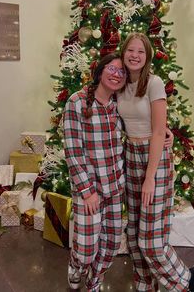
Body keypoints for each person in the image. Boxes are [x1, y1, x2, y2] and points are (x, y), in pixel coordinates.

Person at [63, 52, 173, 292]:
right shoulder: (77, 102)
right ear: (100, 71)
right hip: (89, 191)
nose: (116, 74)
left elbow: (141, 125)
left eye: (121, 72)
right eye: (111, 69)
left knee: (111, 245)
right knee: (86, 248)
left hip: (114, 189)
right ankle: (76, 266)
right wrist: (87, 191)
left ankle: (94, 281)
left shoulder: (117, 105)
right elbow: (73, 150)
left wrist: (165, 131)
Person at [117, 32, 194, 292]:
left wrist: (150, 176)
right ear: (123, 53)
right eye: (130, 50)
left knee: (151, 242)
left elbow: (157, 131)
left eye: (140, 51)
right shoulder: (119, 83)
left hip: (155, 161)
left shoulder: (154, 83)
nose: (134, 55)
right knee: (133, 236)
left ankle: (186, 282)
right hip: (130, 156)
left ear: (147, 56)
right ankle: (145, 285)